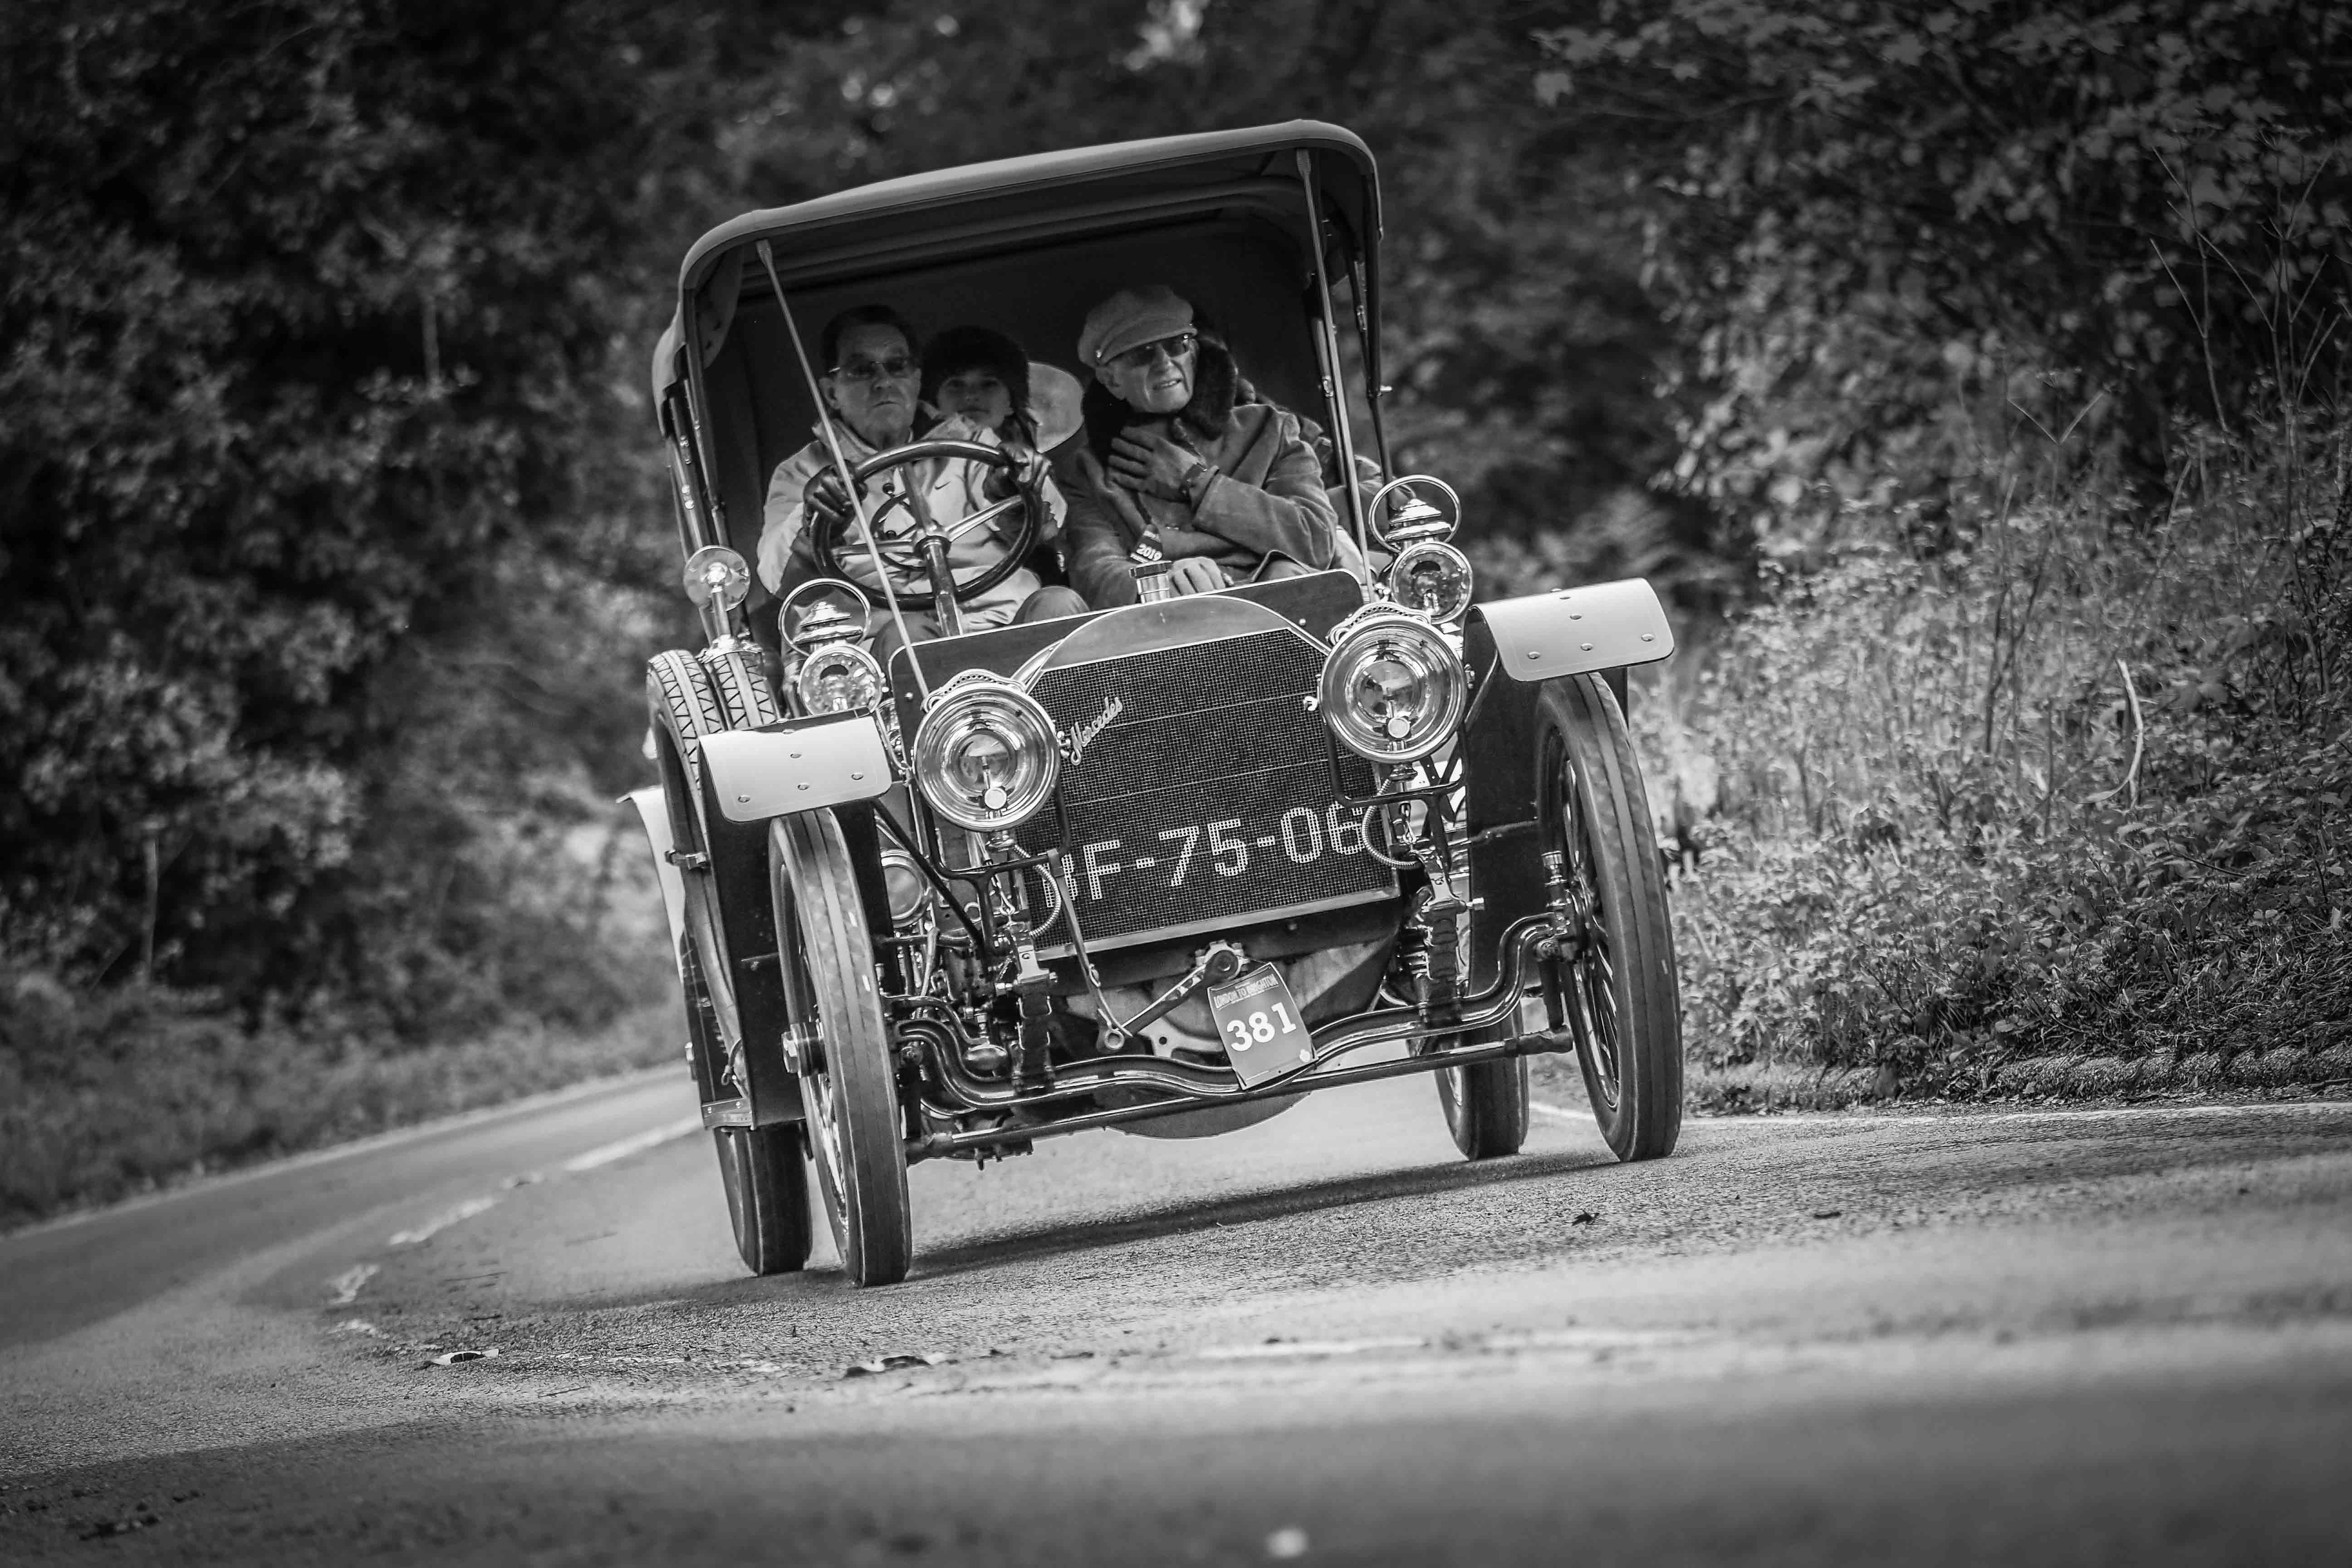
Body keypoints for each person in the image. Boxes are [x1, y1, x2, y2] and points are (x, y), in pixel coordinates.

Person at [756, 306, 1083, 655]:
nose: (883, 382)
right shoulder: (801, 472)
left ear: (915, 379)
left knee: (1060, 605)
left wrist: (1012, 494)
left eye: (897, 366)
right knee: (908, 638)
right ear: (831, 393)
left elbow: (1049, 531)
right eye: (862, 370)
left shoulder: (971, 443)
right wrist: (816, 523)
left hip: (1001, 620)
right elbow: (779, 580)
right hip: (889, 643)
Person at [1058, 284, 1339, 608]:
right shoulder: (1088, 471)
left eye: (1176, 345)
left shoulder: (1270, 430)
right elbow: (1095, 572)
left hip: (1273, 607)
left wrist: (1198, 481)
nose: (1165, 363)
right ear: (1111, 380)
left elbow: (1316, 541)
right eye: (1142, 354)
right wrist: (1164, 581)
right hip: (1165, 621)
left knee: (1288, 576)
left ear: (1193, 354)